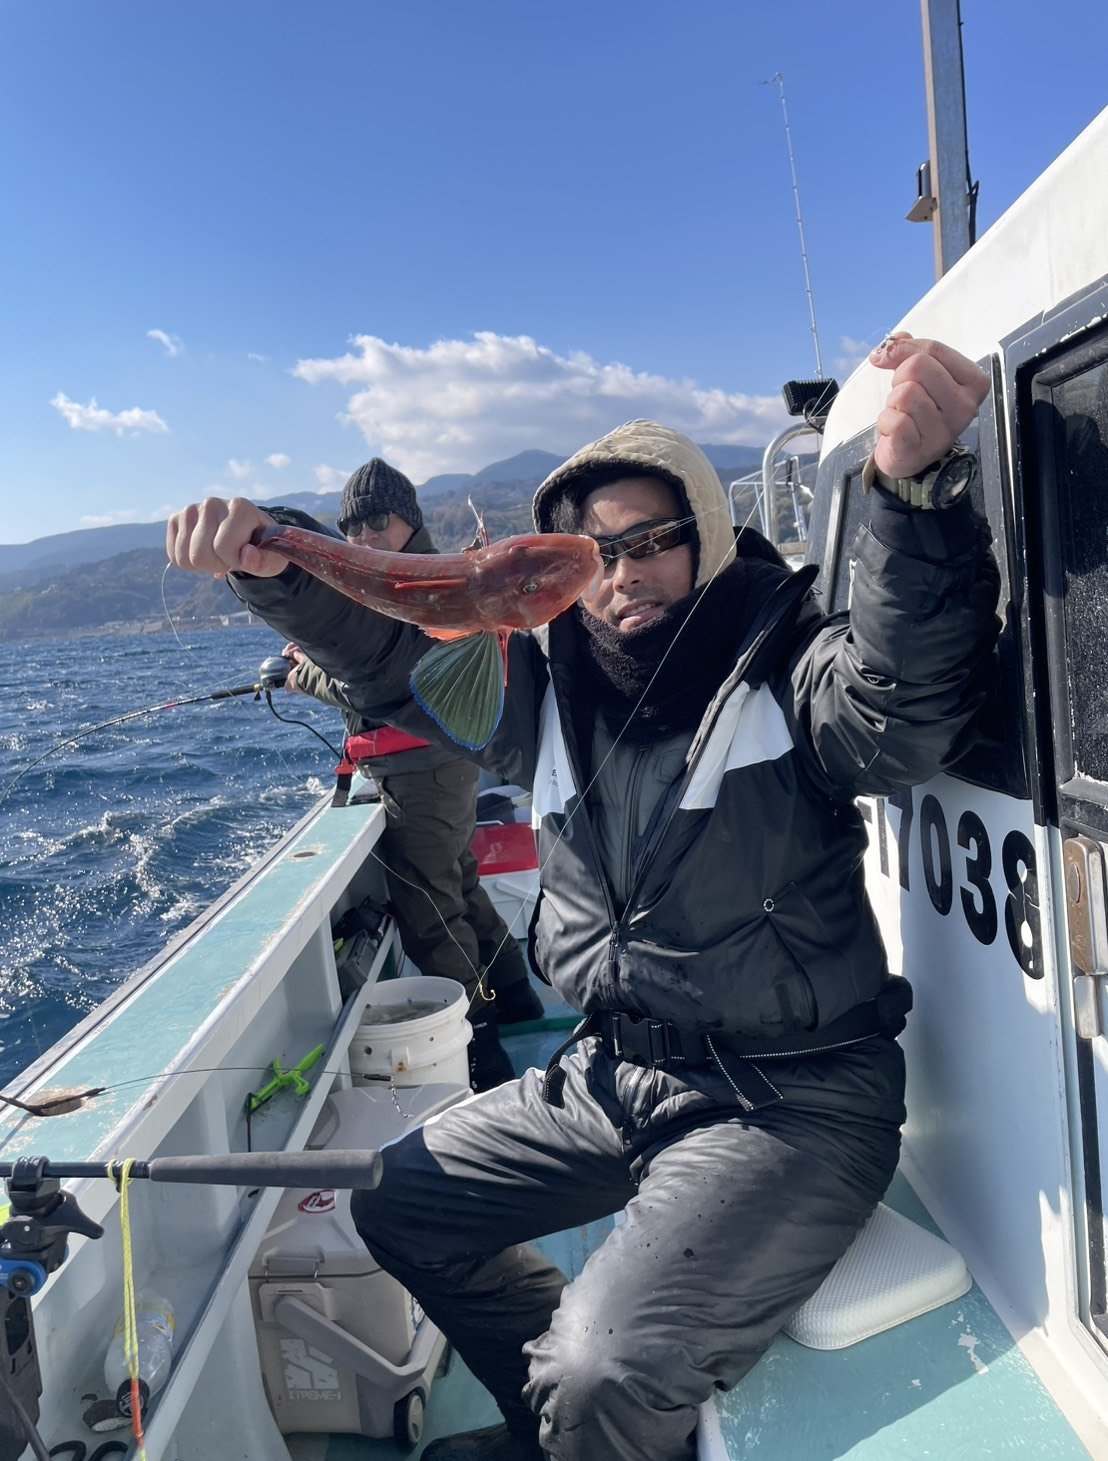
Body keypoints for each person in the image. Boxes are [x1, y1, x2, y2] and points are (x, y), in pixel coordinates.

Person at [167, 336, 1001, 1461]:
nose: (624, 574)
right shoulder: (544, 691)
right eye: (597, 552)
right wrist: (271, 568)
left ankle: (585, 1422)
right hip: (611, 1073)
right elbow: (392, 659)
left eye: (652, 540)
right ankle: (553, 1434)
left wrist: (914, 499)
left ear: (708, 534)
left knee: (599, 1365)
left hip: (792, 1099)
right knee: (397, 1202)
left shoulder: (785, 655)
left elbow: (899, 713)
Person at [270, 458, 543, 1093]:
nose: (363, 536)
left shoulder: (413, 588)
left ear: (410, 521)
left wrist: (303, 674)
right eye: (351, 526)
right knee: (460, 885)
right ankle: (518, 999)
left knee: (431, 911)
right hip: (442, 766)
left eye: (377, 520)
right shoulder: (416, 581)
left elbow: (381, 685)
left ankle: (482, 1054)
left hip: (420, 771)